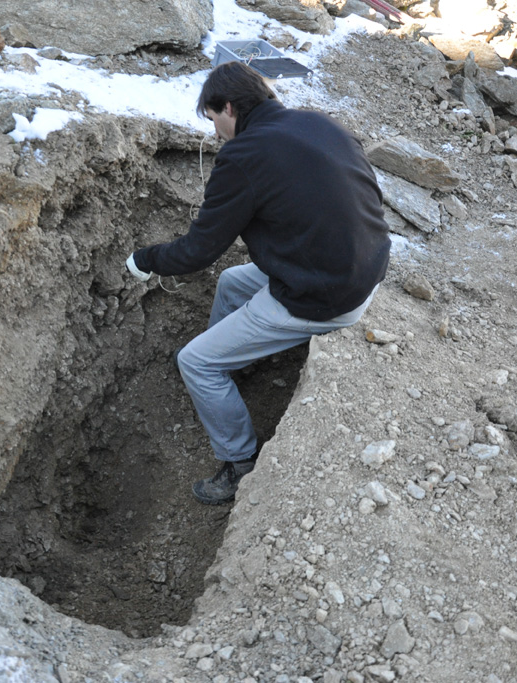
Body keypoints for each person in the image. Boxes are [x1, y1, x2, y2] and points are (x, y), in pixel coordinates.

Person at [126, 61, 391, 505]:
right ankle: (228, 368)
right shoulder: (318, 122)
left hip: (325, 294)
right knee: (233, 282)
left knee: (195, 362)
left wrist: (144, 260)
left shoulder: (243, 156)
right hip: (362, 265)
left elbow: (198, 251)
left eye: (213, 119)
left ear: (230, 108)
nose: (215, 133)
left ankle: (239, 464)